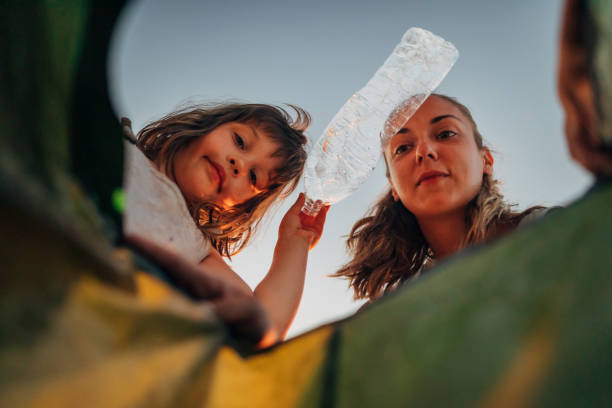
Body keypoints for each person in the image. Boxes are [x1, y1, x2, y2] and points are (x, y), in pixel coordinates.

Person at [124, 103, 329, 344]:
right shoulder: (119, 144)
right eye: (240, 142)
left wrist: (294, 242)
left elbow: (263, 326)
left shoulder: (197, 249)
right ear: (207, 126)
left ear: (242, 207)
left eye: (253, 176)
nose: (239, 165)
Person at [335, 94, 546, 301]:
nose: (424, 151)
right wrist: (301, 240)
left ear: (486, 160)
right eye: (403, 148)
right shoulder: (398, 305)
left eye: (445, 134)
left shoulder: (551, 231)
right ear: (394, 188)